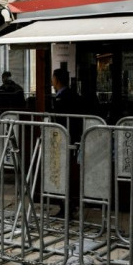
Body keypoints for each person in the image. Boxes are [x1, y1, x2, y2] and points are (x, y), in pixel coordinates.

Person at [51, 68, 82, 219]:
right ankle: (68, 205)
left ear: (56, 79)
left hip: (64, 140)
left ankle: (67, 206)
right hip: (68, 139)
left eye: (53, 78)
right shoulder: (69, 95)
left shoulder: (64, 97)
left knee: (63, 173)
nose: (52, 80)